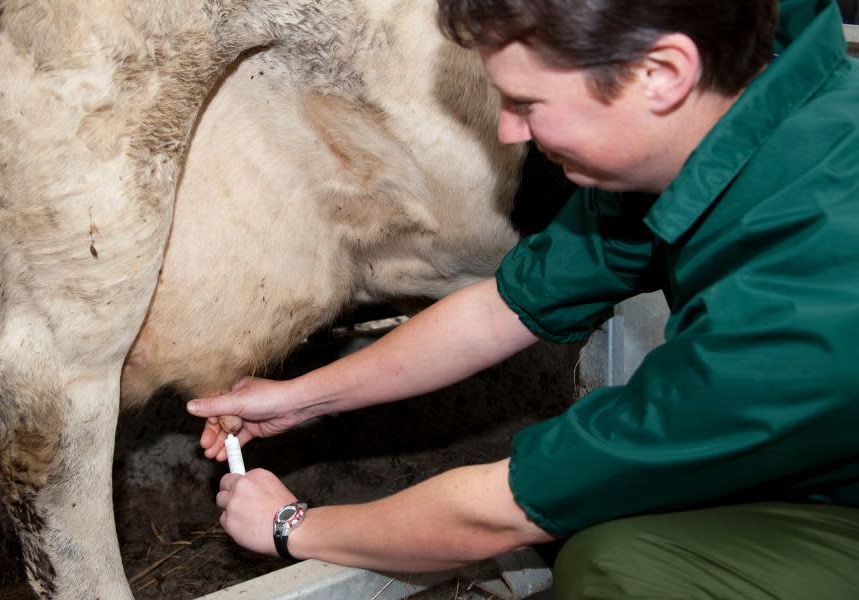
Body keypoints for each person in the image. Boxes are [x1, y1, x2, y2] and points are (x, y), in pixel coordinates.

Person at [187, 0, 859, 596]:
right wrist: (300, 399)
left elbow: (500, 510)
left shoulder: (811, 289)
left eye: (528, 103)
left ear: (660, 73)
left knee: (619, 568)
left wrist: (291, 527)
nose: (510, 131)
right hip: (821, 461)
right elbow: (501, 309)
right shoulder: (728, 117)